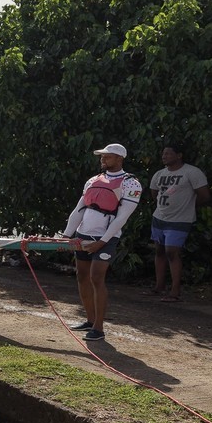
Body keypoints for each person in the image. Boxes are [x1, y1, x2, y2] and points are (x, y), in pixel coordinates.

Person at [63, 142, 143, 342]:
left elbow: (122, 217)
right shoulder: (92, 180)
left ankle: (98, 328)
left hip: (105, 238)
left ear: (119, 158)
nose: (103, 159)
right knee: (82, 277)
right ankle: (89, 320)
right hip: (83, 235)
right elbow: (79, 209)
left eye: (108, 156)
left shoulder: (130, 183)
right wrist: (66, 235)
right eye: (102, 156)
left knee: (97, 278)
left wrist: (103, 241)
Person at [148, 143, 209, 302]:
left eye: (168, 153)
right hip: (159, 217)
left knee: (172, 252)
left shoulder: (191, 172)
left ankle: (175, 291)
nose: (164, 156)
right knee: (159, 251)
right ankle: (159, 286)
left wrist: (188, 206)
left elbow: (203, 195)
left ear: (179, 155)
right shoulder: (159, 174)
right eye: (163, 153)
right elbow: (154, 194)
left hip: (180, 219)